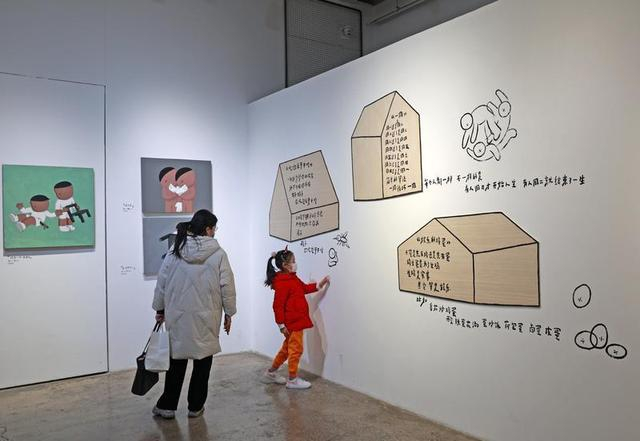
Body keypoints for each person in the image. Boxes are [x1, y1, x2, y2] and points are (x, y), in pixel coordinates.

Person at [151, 209, 236, 419]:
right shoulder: (219, 254)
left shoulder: (175, 251)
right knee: (203, 364)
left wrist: (160, 309)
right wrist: (229, 313)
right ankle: (195, 407)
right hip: (207, 317)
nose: (215, 232)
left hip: (178, 316)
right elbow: (227, 286)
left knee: (176, 364)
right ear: (207, 229)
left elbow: (162, 283)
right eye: (214, 228)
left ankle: (167, 406)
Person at [263, 248, 329, 389]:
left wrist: (319, 285)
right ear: (285, 265)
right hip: (293, 323)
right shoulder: (283, 282)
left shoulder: (292, 278)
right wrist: (281, 325)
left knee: (287, 350)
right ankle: (292, 379)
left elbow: (304, 288)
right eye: (293, 261)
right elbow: (277, 306)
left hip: (296, 321)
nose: (295, 263)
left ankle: (271, 372)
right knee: (296, 350)